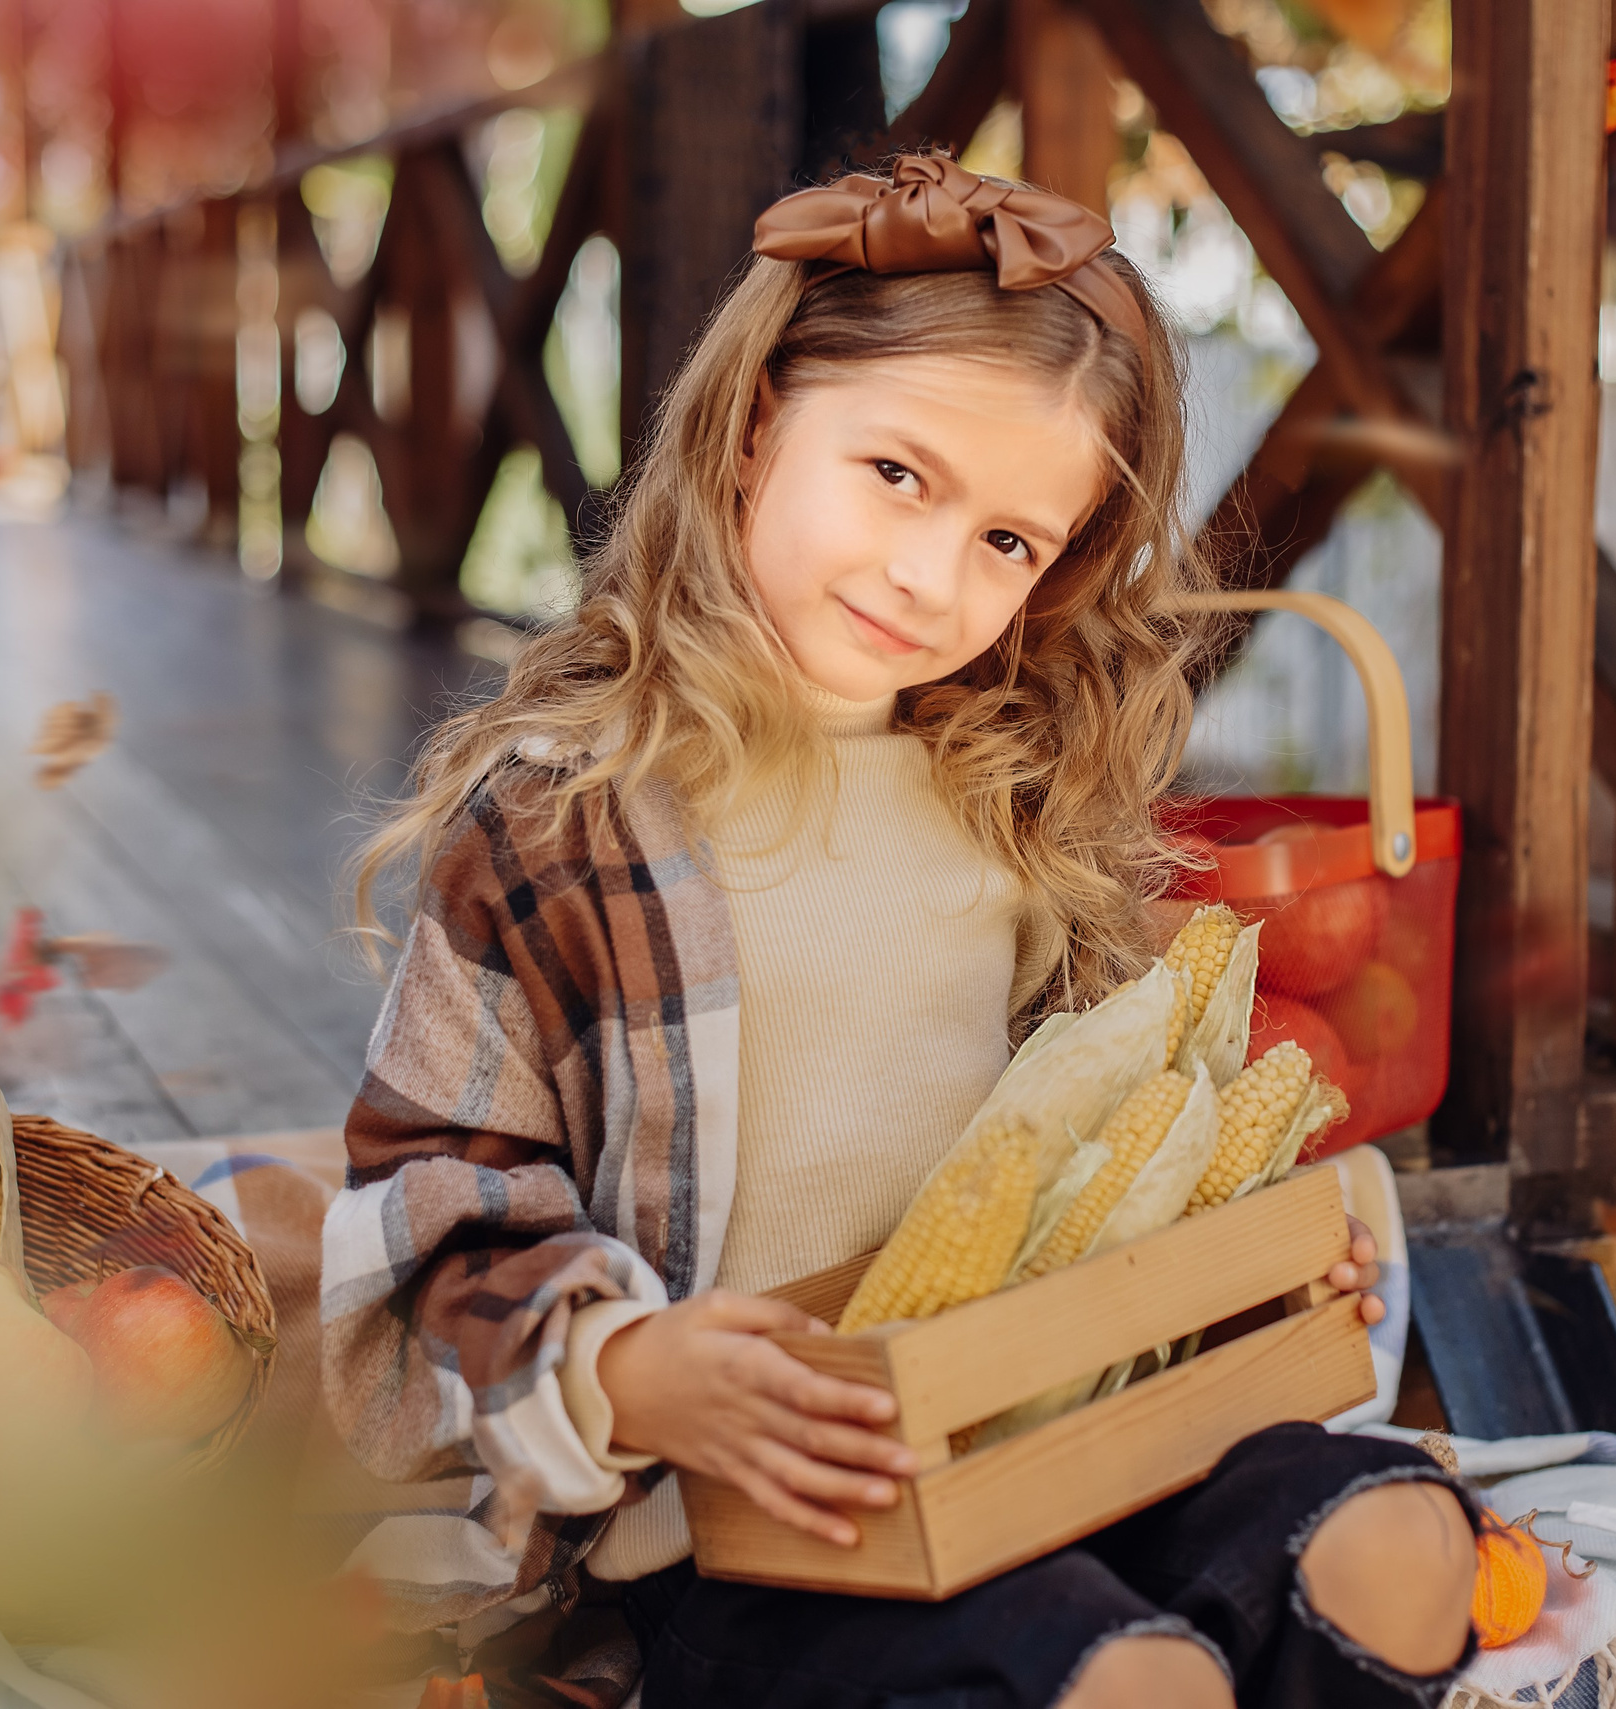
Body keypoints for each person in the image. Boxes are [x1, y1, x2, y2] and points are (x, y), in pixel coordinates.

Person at [323, 154, 1478, 1709]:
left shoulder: (1014, 802)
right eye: (897, 474)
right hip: (765, 1535)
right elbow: (425, 1229)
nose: (932, 575)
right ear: (754, 425)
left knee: (1398, 1536)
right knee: (1127, 1678)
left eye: (1009, 542)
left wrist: (1249, 1274)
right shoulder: (565, 819)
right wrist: (625, 1368)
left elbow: (1097, 1161)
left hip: (1056, 1442)